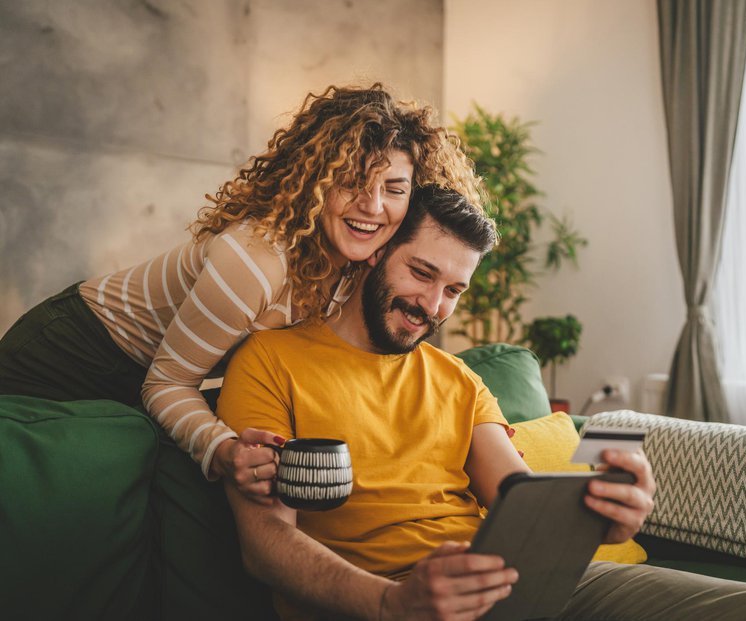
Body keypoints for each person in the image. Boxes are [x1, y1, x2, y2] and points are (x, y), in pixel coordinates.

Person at [216, 186, 746, 621]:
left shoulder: (457, 379)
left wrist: (601, 514)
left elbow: (519, 496)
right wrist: (389, 602)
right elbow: (265, 545)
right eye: (421, 274)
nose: (433, 305)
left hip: (519, 587)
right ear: (374, 253)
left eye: (454, 289)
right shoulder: (271, 361)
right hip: (394, 598)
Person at [0, 84, 482, 500]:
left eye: (394, 189)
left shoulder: (361, 263)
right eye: (352, 181)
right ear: (316, 179)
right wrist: (225, 450)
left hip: (145, 378)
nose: (372, 206)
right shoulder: (257, 261)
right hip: (70, 351)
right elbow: (166, 384)